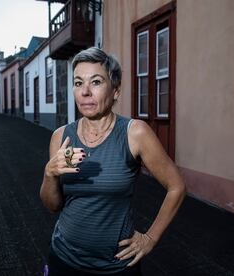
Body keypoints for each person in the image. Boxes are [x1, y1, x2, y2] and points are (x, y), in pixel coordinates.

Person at [40, 47, 186, 276]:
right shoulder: (61, 136)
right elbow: (52, 206)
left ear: (115, 90)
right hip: (63, 259)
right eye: (78, 83)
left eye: (96, 82)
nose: (85, 92)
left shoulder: (134, 133)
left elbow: (177, 186)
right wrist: (49, 174)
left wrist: (150, 238)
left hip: (115, 267)